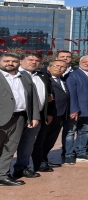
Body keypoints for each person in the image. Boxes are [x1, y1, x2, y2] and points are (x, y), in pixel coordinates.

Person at [0, 53, 39, 186]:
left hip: (19, 118)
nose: (10, 63)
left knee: (10, 148)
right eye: (7, 61)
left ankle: (2, 175)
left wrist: (34, 116)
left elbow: (33, 97)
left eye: (14, 61)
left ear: (19, 62)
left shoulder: (25, 77)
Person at [13, 53, 51, 179]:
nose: (33, 62)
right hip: (17, 115)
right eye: (30, 59)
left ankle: (22, 168)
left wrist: (47, 113)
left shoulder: (42, 76)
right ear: (21, 61)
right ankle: (3, 171)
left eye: (36, 60)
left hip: (36, 116)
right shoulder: (14, 74)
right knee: (10, 144)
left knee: (28, 143)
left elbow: (48, 96)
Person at [64, 55, 88, 164]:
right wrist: (73, 109)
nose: (87, 63)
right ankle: (69, 155)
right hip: (76, 110)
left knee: (84, 132)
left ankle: (81, 153)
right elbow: (71, 94)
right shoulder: (73, 75)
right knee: (70, 133)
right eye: (84, 62)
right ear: (80, 63)